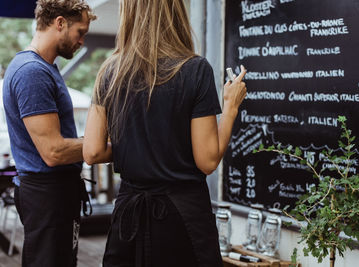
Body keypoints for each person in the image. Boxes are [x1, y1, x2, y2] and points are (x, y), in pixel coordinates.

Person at [83, 0, 246, 266]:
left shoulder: (110, 71)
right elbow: (207, 160)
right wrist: (230, 107)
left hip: (129, 216)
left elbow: (92, 151)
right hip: (182, 218)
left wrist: (137, 149)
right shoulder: (195, 69)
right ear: (176, 13)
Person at [2, 0, 96, 266]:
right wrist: (107, 145)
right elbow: (53, 152)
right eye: (81, 32)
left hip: (56, 193)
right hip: (46, 196)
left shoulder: (45, 68)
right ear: (60, 23)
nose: (81, 42)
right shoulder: (32, 72)